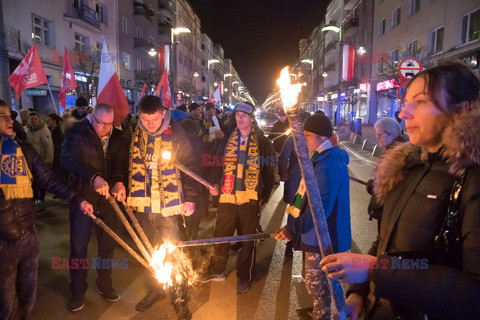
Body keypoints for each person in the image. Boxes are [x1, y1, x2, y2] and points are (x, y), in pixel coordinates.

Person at [320, 62, 480, 320]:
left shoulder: (473, 179)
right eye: (406, 102)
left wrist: (375, 271)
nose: (403, 113)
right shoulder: (407, 167)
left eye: (420, 102)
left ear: (459, 110)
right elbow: (386, 244)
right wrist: (360, 292)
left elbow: (473, 297)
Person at [0, 99, 93, 320]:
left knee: (28, 293)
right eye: (0, 116)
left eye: (8, 115)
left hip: (28, 235)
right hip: (2, 242)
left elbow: (49, 180)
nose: (8, 119)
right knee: (5, 301)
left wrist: (77, 198)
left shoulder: (23, 150)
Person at [111, 95, 200, 319]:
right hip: (142, 206)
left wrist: (190, 198)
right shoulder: (133, 133)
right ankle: (157, 289)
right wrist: (119, 179)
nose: (150, 124)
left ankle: (180, 297)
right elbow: (120, 160)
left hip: (168, 207)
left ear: (163, 113)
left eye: (154, 119)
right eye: (145, 119)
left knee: (173, 252)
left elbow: (189, 166)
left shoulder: (176, 133)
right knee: (150, 253)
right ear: (139, 115)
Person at [276, 114, 351, 320]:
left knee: (317, 280)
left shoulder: (327, 165)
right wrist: (292, 225)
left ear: (322, 137)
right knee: (319, 280)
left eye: (308, 135)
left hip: (324, 236)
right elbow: (304, 196)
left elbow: (320, 210)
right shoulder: (319, 157)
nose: (304, 139)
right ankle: (322, 310)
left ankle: (323, 315)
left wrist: (292, 229)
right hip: (315, 234)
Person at [199, 101, 275, 294]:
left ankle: (245, 276)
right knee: (221, 235)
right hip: (227, 196)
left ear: (251, 119)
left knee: (248, 238)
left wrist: (263, 196)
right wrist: (215, 183)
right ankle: (217, 270)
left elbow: (268, 171)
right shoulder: (227, 139)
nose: (240, 119)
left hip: (250, 198)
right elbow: (217, 164)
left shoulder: (262, 142)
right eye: (237, 116)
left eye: (244, 116)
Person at [61, 103, 125, 312]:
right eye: (102, 123)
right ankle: (78, 290)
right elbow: (68, 160)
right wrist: (93, 177)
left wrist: (118, 180)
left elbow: (118, 162)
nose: (106, 128)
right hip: (83, 198)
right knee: (79, 248)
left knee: (107, 246)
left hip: (107, 200)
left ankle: (104, 283)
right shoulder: (77, 132)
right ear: (92, 118)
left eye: (110, 123)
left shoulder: (116, 134)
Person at [366, 117, 407, 228]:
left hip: (389, 211)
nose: (377, 138)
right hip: (388, 210)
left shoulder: (396, 155)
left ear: (392, 134)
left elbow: (393, 185)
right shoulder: (393, 150)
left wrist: (374, 186)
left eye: (380, 135)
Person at [25, 111, 54, 209]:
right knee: (33, 183)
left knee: (41, 183)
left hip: (41, 162)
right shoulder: (26, 130)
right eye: (31, 119)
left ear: (39, 119)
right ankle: (35, 201)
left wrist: (49, 161)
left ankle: (40, 201)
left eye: (35, 119)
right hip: (30, 162)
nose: (34, 121)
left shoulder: (45, 131)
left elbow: (49, 146)